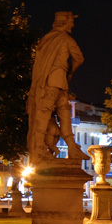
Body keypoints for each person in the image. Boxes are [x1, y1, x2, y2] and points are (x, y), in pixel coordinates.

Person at [27, 11, 88, 163]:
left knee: (57, 114)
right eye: (71, 21)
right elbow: (79, 59)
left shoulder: (47, 39)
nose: (72, 24)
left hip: (50, 82)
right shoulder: (65, 39)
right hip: (57, 83)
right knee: (54, 114)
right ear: (63, 22)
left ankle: (69, 147)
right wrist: (70, 72)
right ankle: (44, 148)